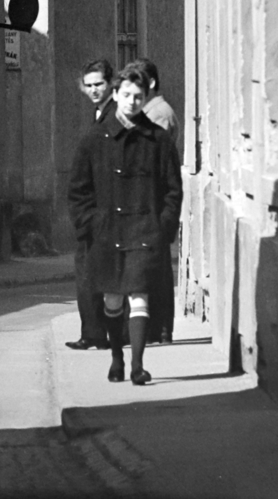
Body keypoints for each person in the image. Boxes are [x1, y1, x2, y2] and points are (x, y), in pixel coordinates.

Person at [68, 62, 182, 386]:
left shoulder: (158, 140)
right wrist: (89, 226)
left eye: (139, 96)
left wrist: (163, 228)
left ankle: (137, 365)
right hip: (107, 232)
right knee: (113, 300)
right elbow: (78, 190)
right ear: (116, 94)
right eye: (127, 95)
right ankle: (117, 358)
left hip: (144, 230)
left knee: (139, 296)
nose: (133, 101)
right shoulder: (94, 139)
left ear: (146, 97)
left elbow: (172, 190)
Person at [64, 59, 115, 351]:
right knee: (90, 274)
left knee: (92, 274)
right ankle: (95, 332)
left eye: (99, 84)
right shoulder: (100, 113)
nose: (94, 90)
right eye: (89, 86)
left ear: (110, 84)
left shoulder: (112, 116)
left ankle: (97, 333)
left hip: (99, 212)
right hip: (93, 211)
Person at [133, 57, 178, 343]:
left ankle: (160, 328)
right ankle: (155, 328)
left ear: (150, 84)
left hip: (155, 204)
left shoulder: (158, 113)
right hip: (149, 204)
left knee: (158, 271)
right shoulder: (149, 111)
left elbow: (150, 161)